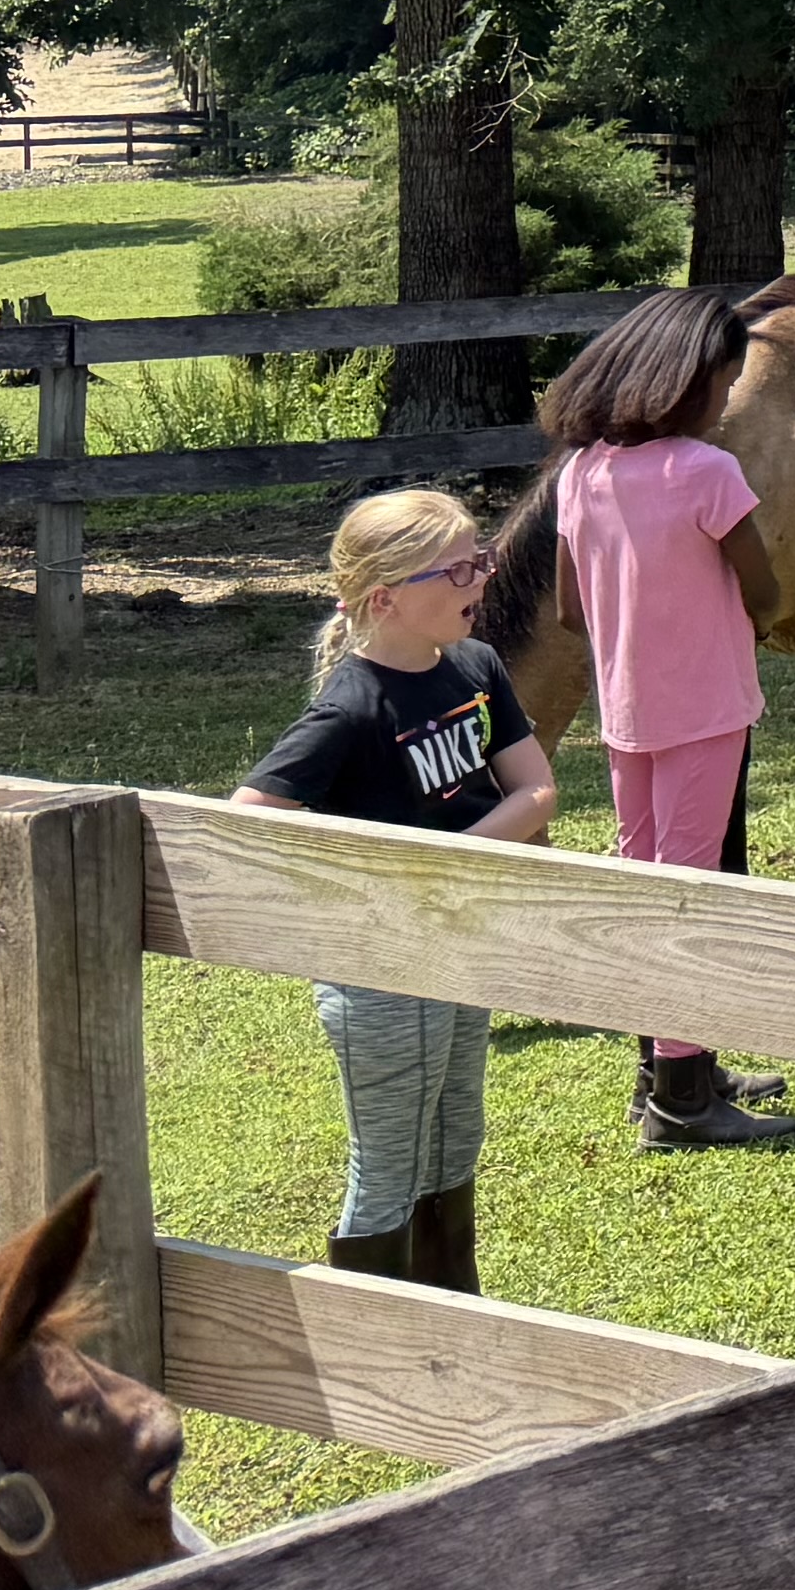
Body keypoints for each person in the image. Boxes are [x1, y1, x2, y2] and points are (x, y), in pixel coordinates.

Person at [240, 485, 557, 1289]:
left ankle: (453, 1311)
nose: (481, 582)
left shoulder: (476, 667)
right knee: (388, 1163)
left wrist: (441, 865)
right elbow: (249, 823)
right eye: (458, 572)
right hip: (379, 968)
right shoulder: (351, 709)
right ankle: (373, 1336)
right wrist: (387, 881)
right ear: (385, 597)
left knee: (456, 1137)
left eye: (481, 561)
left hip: (459, 940)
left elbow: (537, 791)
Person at [534, 288, 795, 1151]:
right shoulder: (708, 473)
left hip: (625, 710)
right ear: (686, 381)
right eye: (723, 384)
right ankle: (684, 1102)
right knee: (690, 890)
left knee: (642, 874)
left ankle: (662, 1067)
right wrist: (740, 616)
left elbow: (572, 612)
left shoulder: (579, 473)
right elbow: (764, 593)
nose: (726, 400)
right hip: (707, 706)